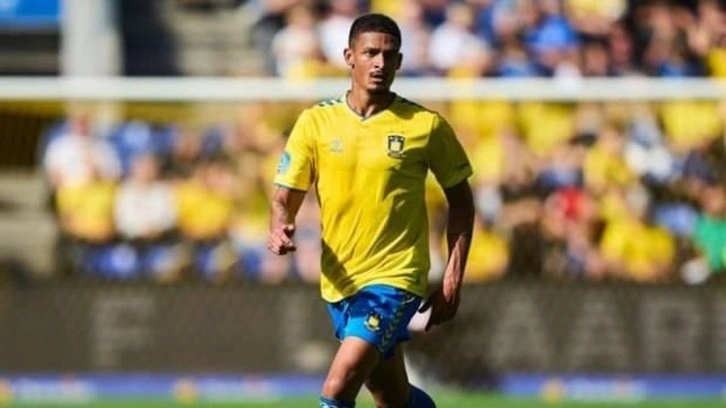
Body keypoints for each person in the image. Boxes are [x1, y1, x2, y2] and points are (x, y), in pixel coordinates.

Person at [268, 13, 474, 408]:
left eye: (389, 55)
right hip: (341, 280)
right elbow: (284, 196)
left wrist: (452, 278)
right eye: (370, 53)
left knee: (338, 386)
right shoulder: (316, 122)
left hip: (396, 278)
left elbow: (462, 201)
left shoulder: (425, 126)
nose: (380, 63)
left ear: (400, 62)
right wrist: (281, 223)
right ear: (349, 56)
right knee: (393, 398)